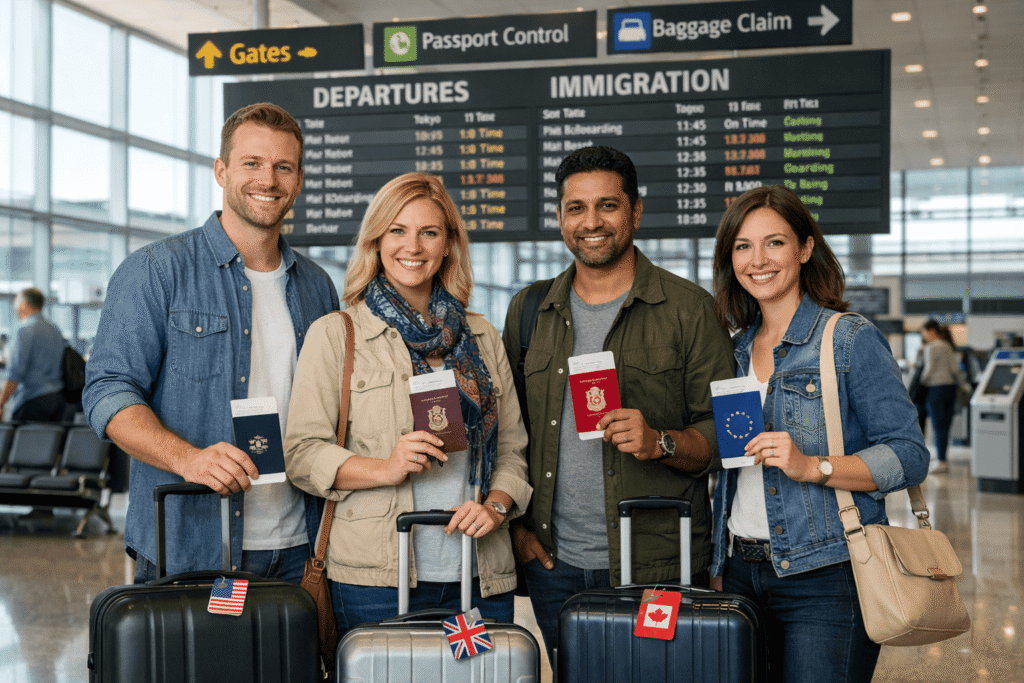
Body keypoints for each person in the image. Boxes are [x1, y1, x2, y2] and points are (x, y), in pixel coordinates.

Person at [83, 103, 340, 582]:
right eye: (252, 163)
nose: (268, 179)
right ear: (221, 171)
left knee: (291, 663)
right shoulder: (157, 271)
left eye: (283, 167)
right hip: (191, 544)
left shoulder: (317, 286)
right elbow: (107, 393)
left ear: (299, 180)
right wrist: (190, 458)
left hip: (300, 547)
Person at [501, 145, 735, 659]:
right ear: (560, 216)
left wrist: (660, 441)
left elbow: (728, 436)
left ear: (635, 211)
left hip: (658, 565)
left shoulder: (688, 309)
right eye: (575, 208)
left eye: (607, 205)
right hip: (553, 565)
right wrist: (517, 530)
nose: (591, 222)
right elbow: (509, 435)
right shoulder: (529, 311)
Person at [283, 173, 531, 631]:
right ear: (376, 241)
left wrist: (495, 507)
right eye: (397, 230)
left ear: (448, 245)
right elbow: (302, 455)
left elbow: (513, 450)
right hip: (375, 578)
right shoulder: (338, 334)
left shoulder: (481, 336)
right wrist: (386, 468)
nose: (412, 246)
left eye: (428, 232)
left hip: (478, 573)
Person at [709, 185, 930, 683]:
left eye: (775, 243)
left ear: (805, 249)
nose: (757, 260)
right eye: (742, 246)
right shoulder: (733, 350)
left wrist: (813, 466)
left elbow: (910, 455)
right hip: (741, 572)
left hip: (826, 576)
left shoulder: (848, 338)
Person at [0, 288, 68, 422]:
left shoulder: (24, 329)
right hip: (57, 400)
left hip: (32, 400)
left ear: (24, 305)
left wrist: (1, 402)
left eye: (17, 305)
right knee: (50, 442)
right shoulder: (55, 329)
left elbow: (15, 372)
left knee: (24, 442)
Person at [920, 319, 961, 474]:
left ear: (931, 331)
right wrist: (963, 385)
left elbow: (928, 370)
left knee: (937, 426)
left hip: (935, 389)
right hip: (950, 388)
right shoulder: (947, 345)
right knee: (945, 426)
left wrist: (920, 382)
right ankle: (943, 458)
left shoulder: (930, 347)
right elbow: (955, 369)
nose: (924, 336)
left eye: (924, 333)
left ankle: (941, 461)